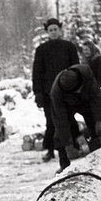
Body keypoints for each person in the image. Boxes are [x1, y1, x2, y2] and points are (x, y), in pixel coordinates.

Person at [32, 18, 80, 163]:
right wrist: (38, 93)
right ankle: (51, 150)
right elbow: (37, 73)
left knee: (69, 120)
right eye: (50, 30)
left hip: (67, 92)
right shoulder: (41, 50)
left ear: (60, 30)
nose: (53, 32)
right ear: (47, 32)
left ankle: (73, 147)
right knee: (51, 123)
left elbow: (76, 69)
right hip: (48, 94)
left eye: (55, 29)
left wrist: (76, 89)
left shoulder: (69, 47)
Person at [50, 64, 101, 172]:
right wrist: (68, 145)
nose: (77, 92)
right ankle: (64, 165)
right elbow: (60, 120)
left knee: (97, 127)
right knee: (60, 133)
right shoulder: (56, 93)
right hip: (67, 106)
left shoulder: (86, 73)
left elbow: (97, 97)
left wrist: (99, 121)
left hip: (87, 101)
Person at [81, 40, 101, 112]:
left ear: (92, 49)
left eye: (87, 49)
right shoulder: (87, 61)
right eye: (83, 50)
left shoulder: (99, 60)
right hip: (91, 93)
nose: (85, 52)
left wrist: (99, 92)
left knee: (100, 117)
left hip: (100, 93)